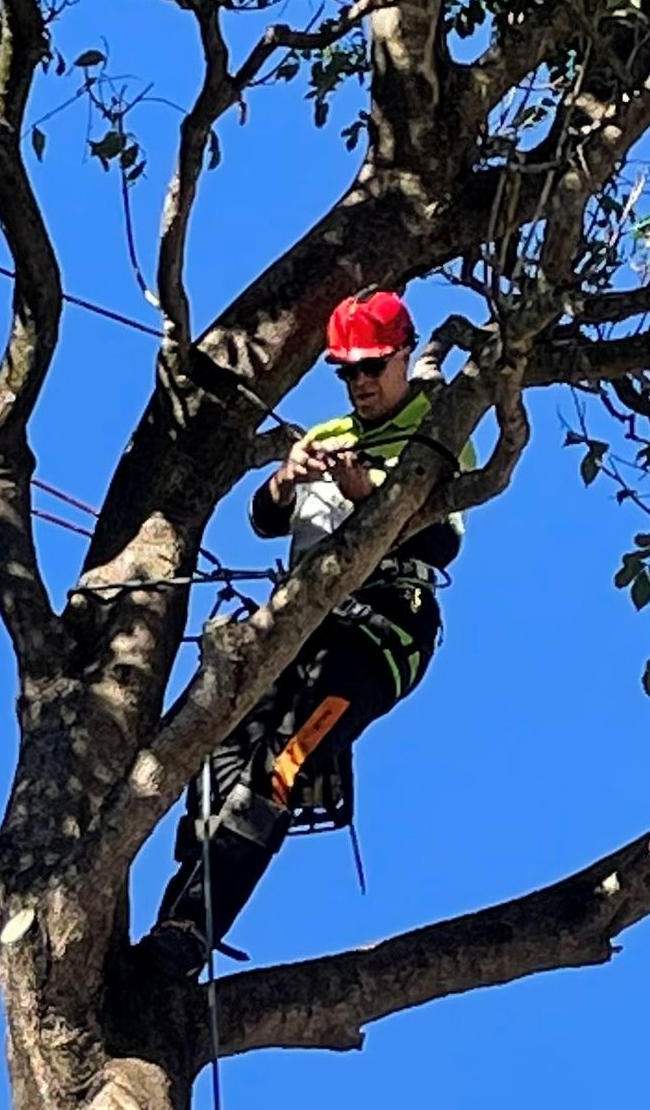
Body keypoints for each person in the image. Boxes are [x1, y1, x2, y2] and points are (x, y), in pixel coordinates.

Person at [136, 289, 471, 979]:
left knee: (285, 762)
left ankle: (193, 934)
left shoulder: (435, 425)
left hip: (382, 629)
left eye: (372, 366)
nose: (360, 382)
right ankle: (173, 920)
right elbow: (264, 520)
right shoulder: (326, 434)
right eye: (348, 371)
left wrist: (366, 491)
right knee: (214, 756)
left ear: (404, 355)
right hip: (296, 625)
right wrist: (287, 480)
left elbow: (442, 540)